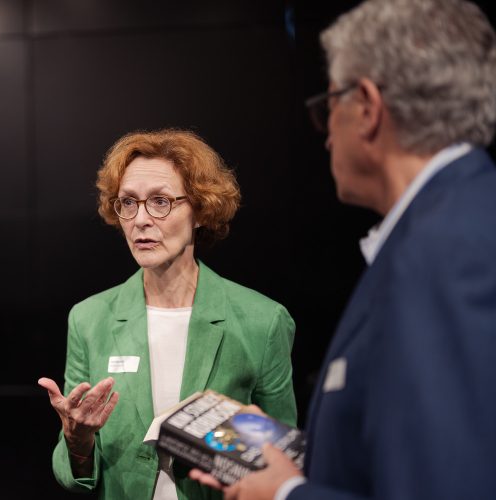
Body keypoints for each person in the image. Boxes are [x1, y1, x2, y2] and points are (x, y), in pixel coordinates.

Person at [190, 0, 496, 499]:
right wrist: (289, 454)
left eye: (327, 106)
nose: (327, 136)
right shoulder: (450, 227)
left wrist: (287, 495)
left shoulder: (448, 254)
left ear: (369, 108)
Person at [38, 129, 297, 500]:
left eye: (160, 202)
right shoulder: (89, 318)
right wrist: (76, 439)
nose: (141, 219)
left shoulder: (263, 320)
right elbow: (75, 474)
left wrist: (231, 439)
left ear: (200, 210)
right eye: (128, 203)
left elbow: (284, 463)